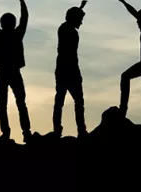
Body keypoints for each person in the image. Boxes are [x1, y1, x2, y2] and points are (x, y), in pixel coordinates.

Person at [0, 0, 33, 142]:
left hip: (4, 72)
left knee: (3, 104)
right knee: (19, 103)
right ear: (13, 23)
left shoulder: (0, 35)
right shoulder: (17, 34)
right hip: (13, 72)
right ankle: (25, 132)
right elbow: (24, 18)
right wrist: (22, 2)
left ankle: (7, 133)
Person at [52, 1, 88, 137]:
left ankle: (58, 130)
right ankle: (81, 130)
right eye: (80, 20)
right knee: (76, 101)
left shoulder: (64, 27)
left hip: (63, 68)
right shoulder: (69, 31)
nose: (81, 23)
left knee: (61, 100)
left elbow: (72, 15)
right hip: (69, 69)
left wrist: (81, 7)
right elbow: (71, 55)